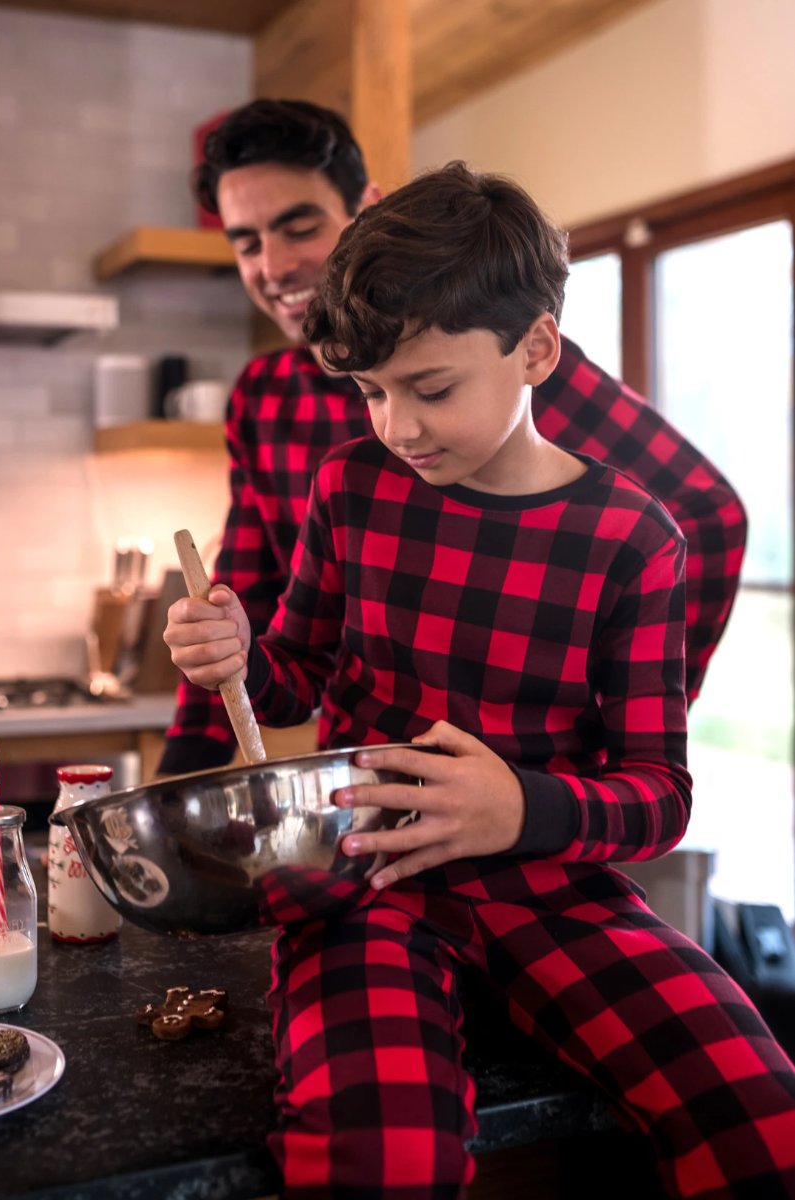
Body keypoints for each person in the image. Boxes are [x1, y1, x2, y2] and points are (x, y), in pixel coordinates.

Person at [164, 164, 795, 1199]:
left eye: (431, 388)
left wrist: (521, 805)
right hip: (362, 882)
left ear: (534, 349)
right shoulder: (349, 489)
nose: (396, 427)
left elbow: (658, 795)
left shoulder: (632, 536)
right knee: (382, 1161)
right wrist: (238, 651)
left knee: (761, 1124)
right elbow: (291, 683)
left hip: (554, 890)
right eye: (370, 392)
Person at [157, 98, 746, 776]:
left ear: (366, 209)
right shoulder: (267, 401)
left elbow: (706, 511)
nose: (274, 266)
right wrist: (178, 773)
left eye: (298, 228)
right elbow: (245, 598)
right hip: (367, 794)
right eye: (247, 242)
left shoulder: (511, 360)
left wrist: (621, 727)